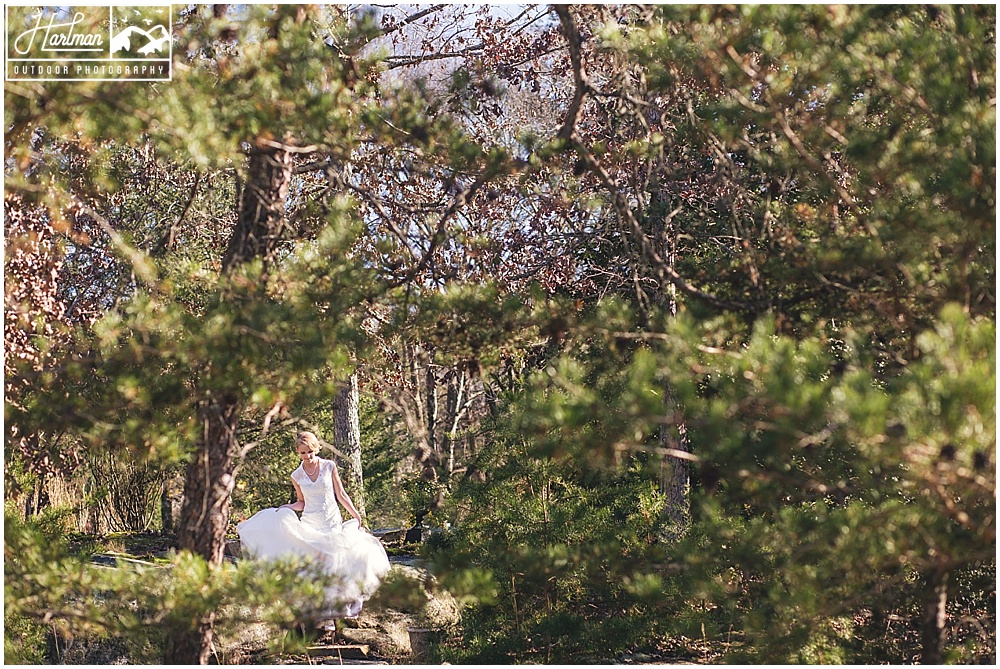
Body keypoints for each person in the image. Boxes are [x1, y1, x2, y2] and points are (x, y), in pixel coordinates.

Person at [237, 431, 390, 619]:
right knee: (316, 564)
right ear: (298, 453)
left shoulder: (329, 466)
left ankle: (336, 610)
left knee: (335, 561)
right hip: (310, 522)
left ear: (316, 448)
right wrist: (287, 507)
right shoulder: (297, 475)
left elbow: (340, 494)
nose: (307, 456)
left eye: (309, 451)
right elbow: (302, 502)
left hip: (331, 521)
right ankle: (319, 611)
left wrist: (355, 514)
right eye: (302, 453)